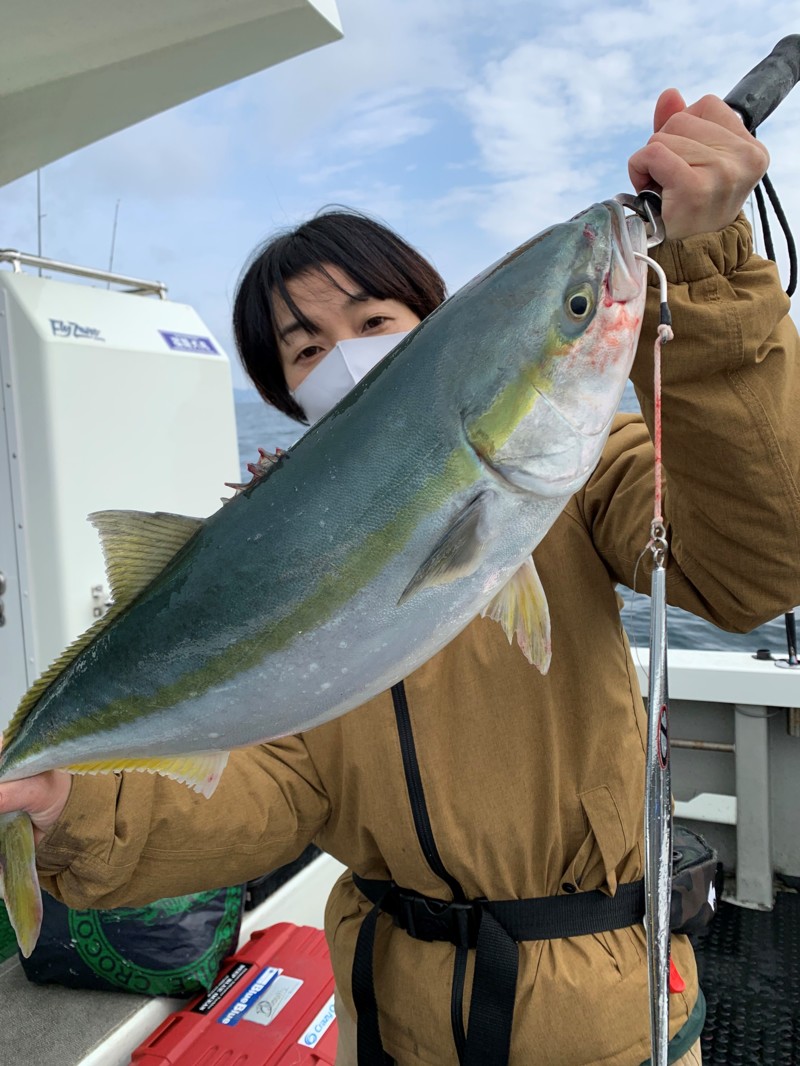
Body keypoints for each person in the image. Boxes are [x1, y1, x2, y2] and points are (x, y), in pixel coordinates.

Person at [2, 88, 799, 1066]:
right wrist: (62, 810)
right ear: (281, 392)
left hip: (598, 1016)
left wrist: (711, 268)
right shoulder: (270, 547)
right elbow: (265, 794)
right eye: (303, 349)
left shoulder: (586, 470)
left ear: (441, 330)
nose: (344, 359)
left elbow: (759, 564)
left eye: (374, 319)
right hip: (390, 1023)